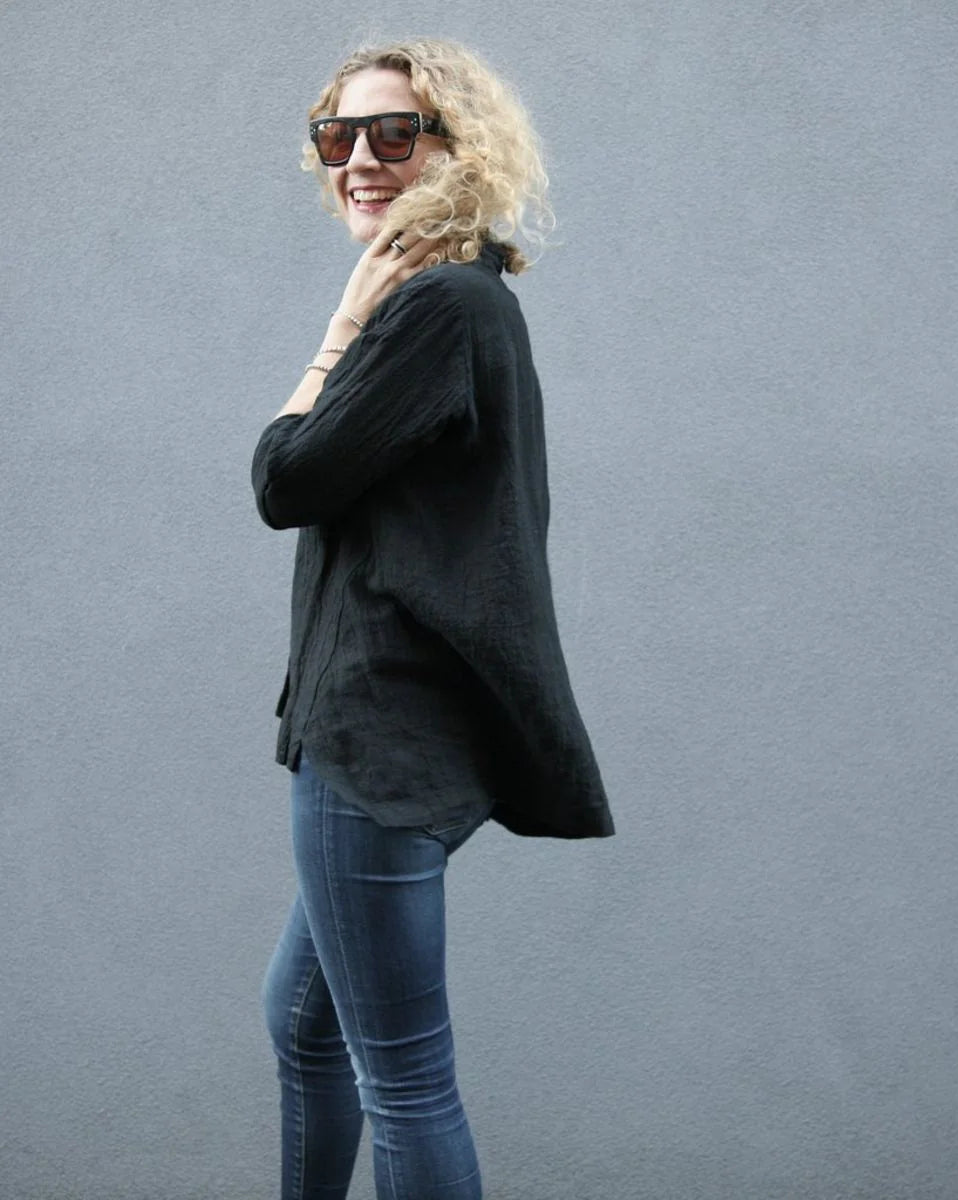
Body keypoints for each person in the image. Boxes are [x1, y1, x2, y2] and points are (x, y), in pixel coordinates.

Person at [252, 38, 615, 1200]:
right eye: (338, 136)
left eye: (395, 133)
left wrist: (337, 334)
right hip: (399, 735)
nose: (359, 159)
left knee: (404, 1079)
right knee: (303, 1023)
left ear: (460, 152)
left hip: (379, 739)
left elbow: (286, 480)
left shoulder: (437, 310)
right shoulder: (463, 302)